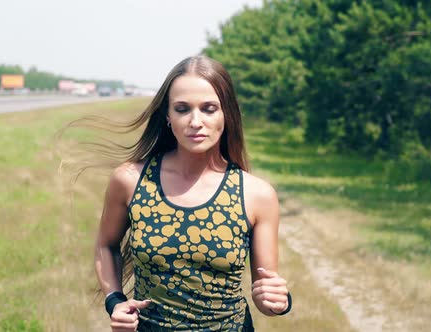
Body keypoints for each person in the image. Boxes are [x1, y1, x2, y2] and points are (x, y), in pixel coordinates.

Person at [94, 55, 291, 332]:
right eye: (183, 109)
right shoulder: (130, 181)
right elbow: (106, 245)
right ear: (167, 116)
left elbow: (266, 293)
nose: (195, 121)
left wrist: (277, 300)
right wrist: (115, 301)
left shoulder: (256, 195)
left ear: (227, 114)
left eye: (209, 109)